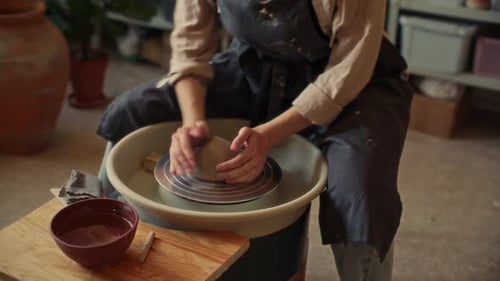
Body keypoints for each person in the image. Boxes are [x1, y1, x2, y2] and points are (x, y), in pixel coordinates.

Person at [97, 0, 413, 280]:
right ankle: (97, 230)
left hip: (355, 77)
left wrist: (269, 134)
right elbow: (190, 48)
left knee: (359, 191)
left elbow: (349, 69)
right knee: (132, 112)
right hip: (260, 64)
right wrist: (194, 125)